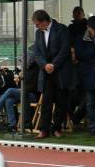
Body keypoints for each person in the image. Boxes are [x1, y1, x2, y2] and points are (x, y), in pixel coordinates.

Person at [30, 10, 74, 139]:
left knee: (61, 101)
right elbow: (36, 52)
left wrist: (53, 65)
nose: (36, 27)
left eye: (37, 24)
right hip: (46, 73)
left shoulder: (61, 29)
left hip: (60, 71)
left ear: (44, 21)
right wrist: (45, 65)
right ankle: (44, 130)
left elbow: (65, 50)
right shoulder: (38, 33)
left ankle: (57, 128)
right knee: (46, 102)